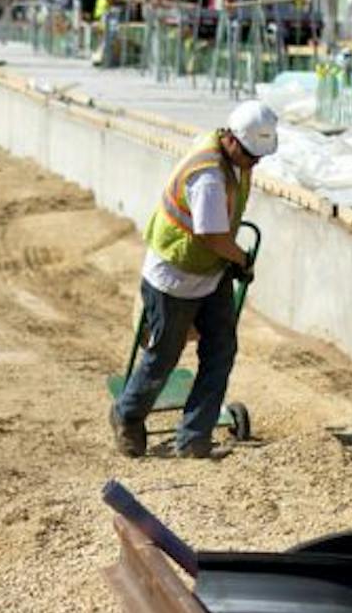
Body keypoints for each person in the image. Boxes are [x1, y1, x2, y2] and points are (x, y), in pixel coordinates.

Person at [111, 100, 278, 459]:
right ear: (231, 140)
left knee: (220, 350)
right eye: (251, 155)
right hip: (173, 277)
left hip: (208, 272)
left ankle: (193, 438)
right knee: (163, 358)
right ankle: (127, 416)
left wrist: (229, 262)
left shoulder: (234, 159)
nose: (255, 163)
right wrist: (241, 259)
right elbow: (211, 236)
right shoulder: (208, 177)